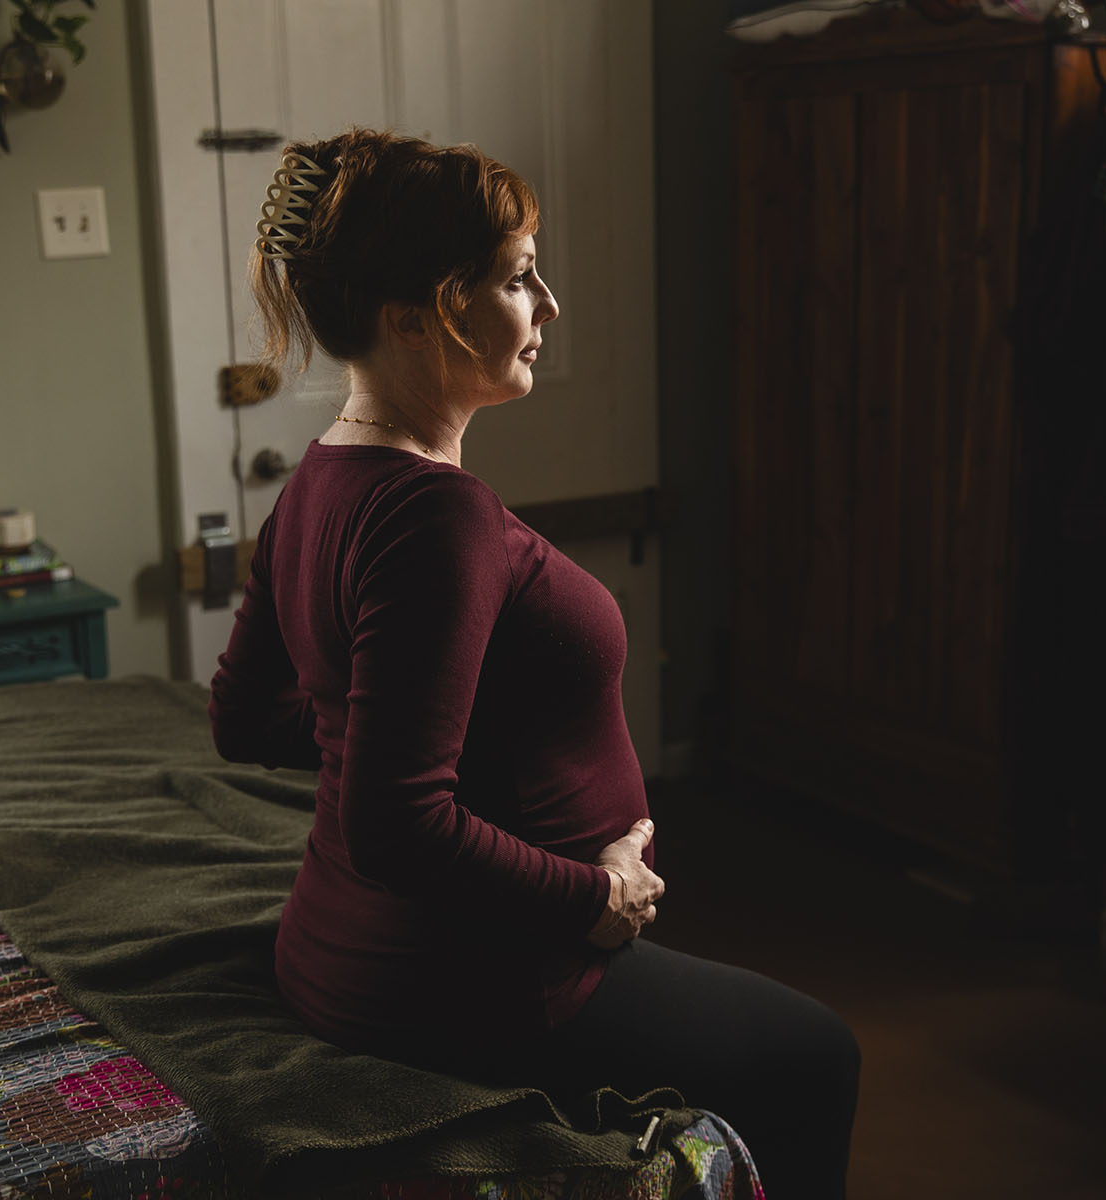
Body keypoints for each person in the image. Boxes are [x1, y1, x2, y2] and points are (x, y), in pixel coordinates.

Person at [209, 128, 859, 1196]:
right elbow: (391, 819)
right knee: (818, 1054)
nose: (548, 306)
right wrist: (585, 897)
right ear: (414, 315)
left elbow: (248, 717)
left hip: (335, 952)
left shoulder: (322, 479)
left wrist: (405, 743)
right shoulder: (435, 519)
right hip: (467, 977)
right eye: (516, 280)